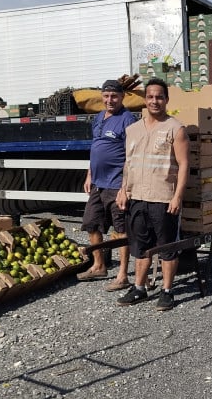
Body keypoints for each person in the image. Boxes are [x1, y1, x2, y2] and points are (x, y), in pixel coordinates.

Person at [115, 78, 189, 311]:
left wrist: (177, 196)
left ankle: (167, 291)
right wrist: (123, 189)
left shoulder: (176, 129)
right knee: (140, 246)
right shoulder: (132, 130)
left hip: (163, 198)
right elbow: (129, 163)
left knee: (166, 247)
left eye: (159, 97)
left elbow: (185, 165)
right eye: (150, 97)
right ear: (144, 100)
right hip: (137, 197)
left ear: (166, 100)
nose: (154, 101)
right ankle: (139, 288)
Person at [76, 79, 136, 291]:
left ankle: (122, 275)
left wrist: (124, 187)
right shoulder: (99, 117)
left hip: (116, 183)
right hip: (97, 183)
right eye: (106, 96)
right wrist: (89, 174)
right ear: (101, 96)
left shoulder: (127, 119)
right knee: (91, 223)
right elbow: (95, 148)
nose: (110, 100)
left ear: (122, 97)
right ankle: (99, 265)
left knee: (121, 230)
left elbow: (132, 156)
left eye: (114, 96)